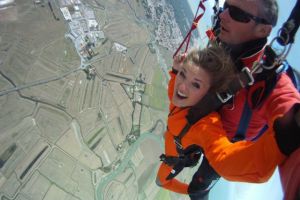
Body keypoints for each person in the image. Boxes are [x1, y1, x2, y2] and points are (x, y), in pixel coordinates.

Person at [185, 0, 300, 199]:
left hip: (225, 144)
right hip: (204, 121)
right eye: (226, 7)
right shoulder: (223, 41)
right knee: (185, 152)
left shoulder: (271, 80)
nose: (223, 15)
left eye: (237, 13)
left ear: (263, 30)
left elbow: (290, 122)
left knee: (197, 188)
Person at [156, 45, 237, 197]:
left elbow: (225, 155)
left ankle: (193, 192)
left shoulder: (204, 124)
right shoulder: (180, 101)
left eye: (196, 84)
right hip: (175, 143)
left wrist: (279, 146)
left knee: (160, 182)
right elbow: (173, 88)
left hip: (175, 160)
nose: (182, 86)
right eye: (183, 74)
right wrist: (175, 70)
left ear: (208, 95)